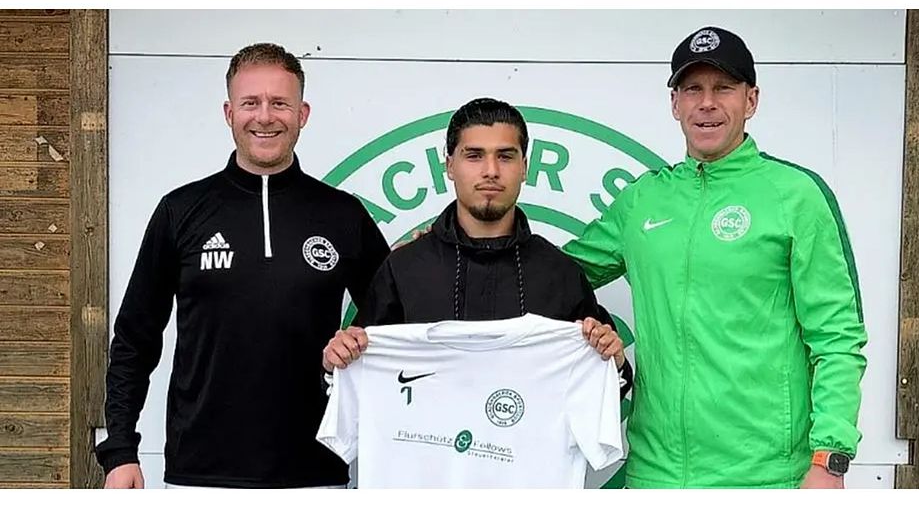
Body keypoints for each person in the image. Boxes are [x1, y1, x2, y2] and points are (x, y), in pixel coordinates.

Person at [561, 26, 868, 489]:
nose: (707, 103)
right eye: (693, 89)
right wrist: (438, 247)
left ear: (751, 100)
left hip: (766, 478)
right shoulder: (643, 201)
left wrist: (829, 458)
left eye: (723, 88)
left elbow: (838, 339)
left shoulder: (795, 196)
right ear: (675, 103)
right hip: (655, 477)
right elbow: (548, 275)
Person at [95, 43, 390, 488]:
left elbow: (394, 313)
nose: (265, 116)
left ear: (303, 113)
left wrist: (360, 337)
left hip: (315, 474)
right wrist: (119, 450)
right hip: (199, 476)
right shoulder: (181, 211)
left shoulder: (342, 215)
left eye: (280, 103)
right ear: (229, 112)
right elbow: (136, 338)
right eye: (251, 103)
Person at [323, 97, 632, 394]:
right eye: (474, 155)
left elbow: (602, 389)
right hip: (427, 448)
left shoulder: (559, 273)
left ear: (524, 166)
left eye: (505, 156)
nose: (491, 171)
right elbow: (359, 381)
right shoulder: (404, 269)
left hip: (532, 448)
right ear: (450, 166)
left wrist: (613, 363)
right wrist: (336, 364)